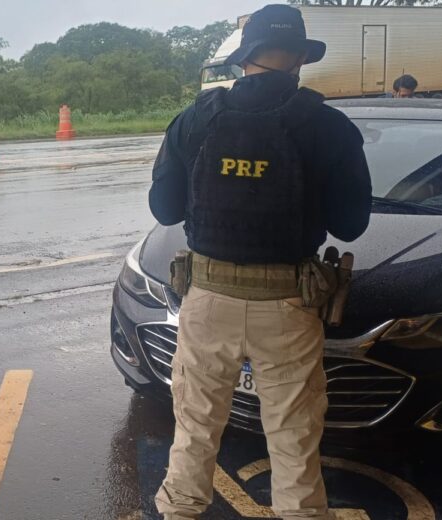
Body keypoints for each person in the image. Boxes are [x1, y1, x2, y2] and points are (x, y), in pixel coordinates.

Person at [148, 5, 372, 520]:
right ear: (300, 57)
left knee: (195, 432)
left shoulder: (196, 119)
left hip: (207, 302)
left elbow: (163, 209)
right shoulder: (328, 126)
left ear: (245, 55)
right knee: (294, 444)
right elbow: (351, 224)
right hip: (288, 306)